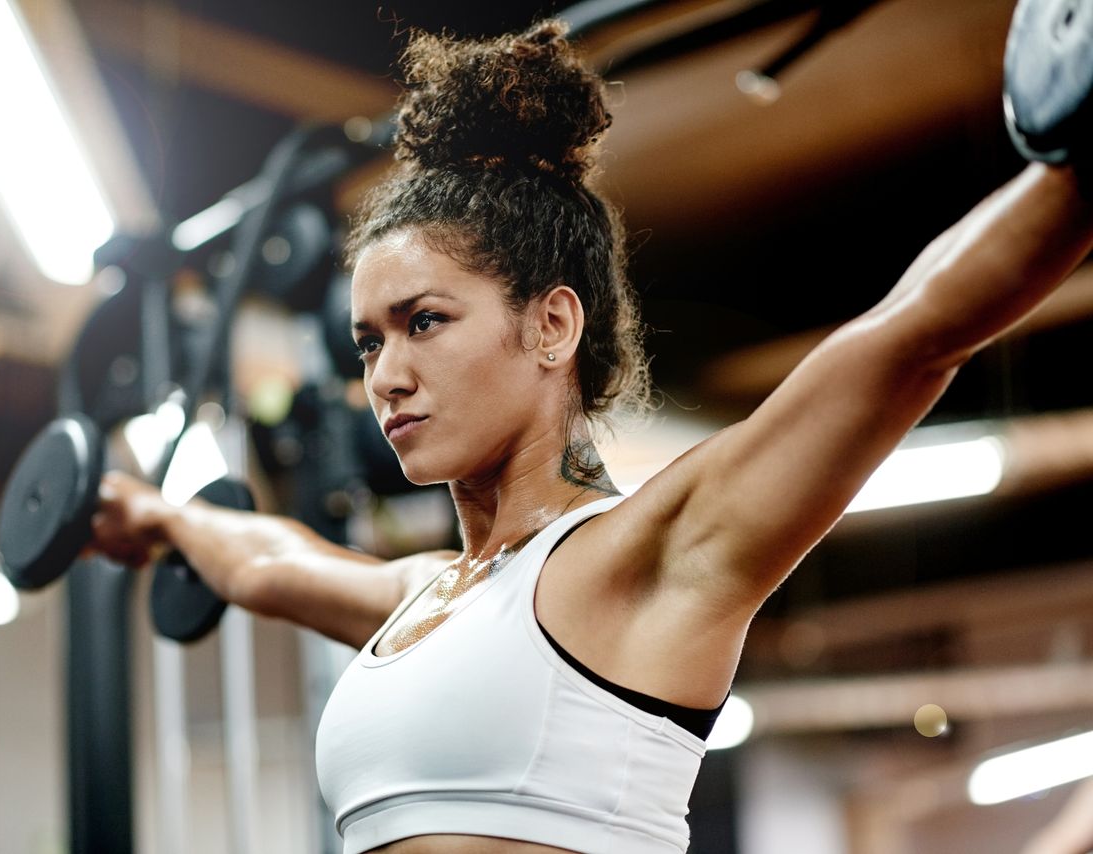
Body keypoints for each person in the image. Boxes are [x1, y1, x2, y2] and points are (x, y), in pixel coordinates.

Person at [89, 17, 1093, 854]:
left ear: (550, 324)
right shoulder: (419, 601)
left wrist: (1067, 177)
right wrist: (155, 512)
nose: (386, 373)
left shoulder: (644, 557)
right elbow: (267, 562)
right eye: (367, 340)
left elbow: (908, 334)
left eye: (424, 321)